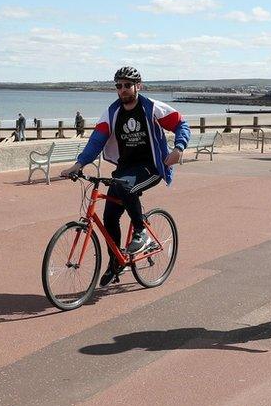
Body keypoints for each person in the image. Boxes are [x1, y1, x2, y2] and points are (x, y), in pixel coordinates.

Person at [61, 66, 190, 287]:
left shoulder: (151, 108)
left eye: (127, 85)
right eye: (118, 86)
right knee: (110, 216)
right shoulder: (112, 113)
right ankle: (115, 263)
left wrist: (178, 148)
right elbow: (96, 141)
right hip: (124, 168)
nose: (123, 90)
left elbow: (181, 124)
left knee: (128, 187)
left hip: (151, 167)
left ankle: (141, 233)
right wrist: (79, 163)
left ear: (138, 86)